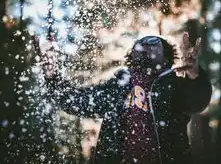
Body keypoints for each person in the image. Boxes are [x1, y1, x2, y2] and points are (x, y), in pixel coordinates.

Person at [45, 32, 212, 164]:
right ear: (132, 53)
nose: (147, 44)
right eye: (142, 43)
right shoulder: (119, 84)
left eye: (153, 42)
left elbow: (198, 102)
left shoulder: (174, 84)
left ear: (166, 54)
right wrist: (52, 76)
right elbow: (79, 101)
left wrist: (194, 73)